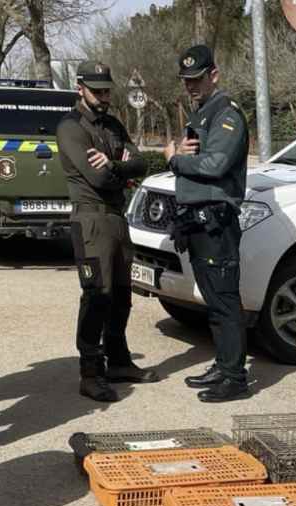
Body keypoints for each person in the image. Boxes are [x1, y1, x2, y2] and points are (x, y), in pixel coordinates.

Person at [56, 61, 158, 402]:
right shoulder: (71, 128)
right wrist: (121, 171)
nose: (103, 97)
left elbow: (141, 163)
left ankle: (119, 361)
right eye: (96, 91)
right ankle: (90, 372)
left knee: (122, 295)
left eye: (106, 91)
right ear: (80, 89)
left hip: (117, 217)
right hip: (91, 221)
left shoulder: (113, 124)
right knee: (97, 295)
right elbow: (95, 178)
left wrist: (115, 163)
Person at [164, 44, 250, 403]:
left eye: (197, 79)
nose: (191, 86)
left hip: (216, 223)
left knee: (225, 300)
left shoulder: (226, 114)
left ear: (214, 75)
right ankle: (223, 364)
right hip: (199, 222)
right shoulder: (202, 113)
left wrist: (175, 160)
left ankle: (234, 377)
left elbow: (215, 164)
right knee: (212, 300)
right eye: (186, 81)